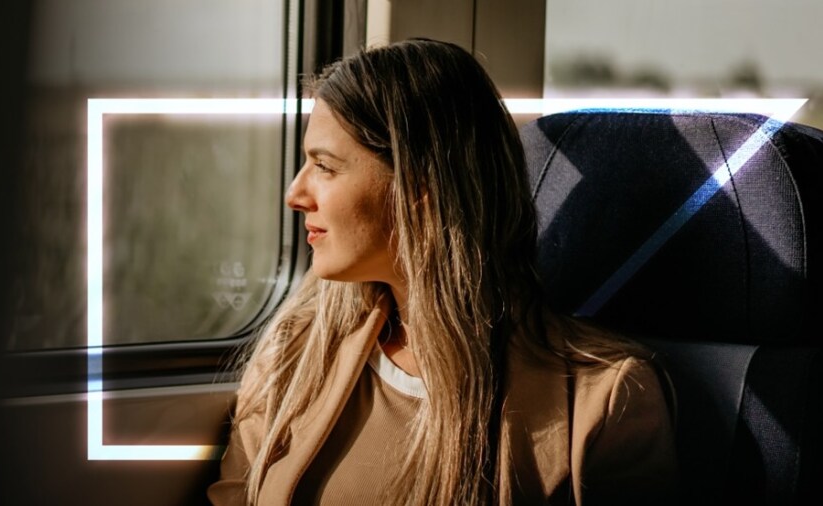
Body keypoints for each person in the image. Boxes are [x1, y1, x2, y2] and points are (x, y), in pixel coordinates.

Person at [208, 38, 678, 506]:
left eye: (325, 167)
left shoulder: (603, 399)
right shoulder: (295, 351)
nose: (295, 194)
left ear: (420, 188)